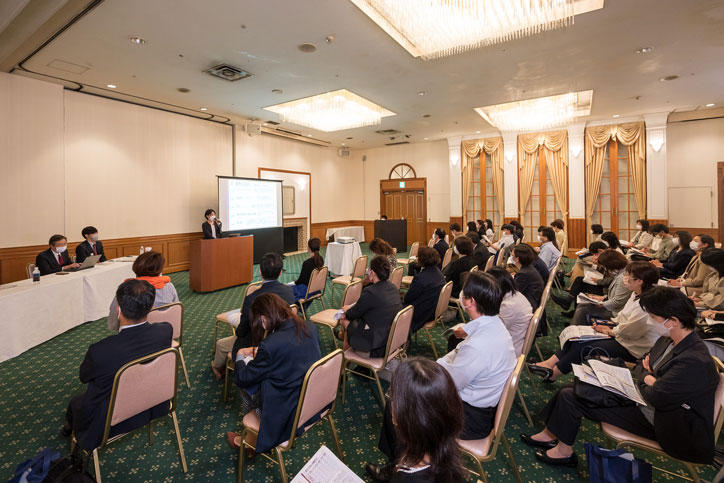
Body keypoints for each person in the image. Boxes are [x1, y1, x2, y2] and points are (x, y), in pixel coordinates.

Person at [521, 286, 719, 467]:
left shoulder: (693, 360)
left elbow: (656, 396)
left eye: (653, 317)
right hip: (648, 402)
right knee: (575, 387)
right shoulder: (670, 339)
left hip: (668, 425)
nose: (649, 321)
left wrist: (648, 377)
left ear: (673, 321)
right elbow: (641, 364)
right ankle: (551, 435)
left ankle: (563, 452)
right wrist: (650, 377)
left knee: (572, 397)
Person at [62, 279, 173, 450]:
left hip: (110, 423)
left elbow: (84, 377)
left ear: (118, 310)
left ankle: (70, 432)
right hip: (154, 405)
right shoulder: (165, 331)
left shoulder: (100, 351)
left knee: (76, 403)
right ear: (151, 307)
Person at [529, 262, 660, 382]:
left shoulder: (645, 305)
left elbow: (629, 332)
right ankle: (548, 364)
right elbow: (622, 318)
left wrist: (608, 330)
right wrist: (608, 325)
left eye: (628, 276)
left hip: (631, 347)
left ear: (640, 281)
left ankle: (553, 374)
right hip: (622, 335)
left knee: (583, 346)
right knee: (576, 338)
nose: (625, 278)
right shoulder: (636, 294)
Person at [226, 293, 321, 455]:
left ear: (263, 319)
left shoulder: (271, 344)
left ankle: (252, 439)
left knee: (247, 384)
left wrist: (241, 355)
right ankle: (253, 437)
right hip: (312, 400)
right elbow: (292, 352)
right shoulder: (309, 327)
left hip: (287, 411)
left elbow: (242, 378)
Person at [438, 272, 516, 439]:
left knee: (401, 404)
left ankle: (407, 455)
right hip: (483, 408)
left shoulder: (477, 346)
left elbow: (449, 384)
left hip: (469, 419)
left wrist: (438, 364)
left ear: (470, 301)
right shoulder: (497, 325)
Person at [365, 358, 466, 482]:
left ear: (408, 420)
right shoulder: (443, 445)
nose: (391, 403)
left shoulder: (406, 479)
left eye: (392, 395)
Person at [212, 252, 295, 380]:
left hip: (256, 343)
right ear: (280, 273)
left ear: (260, 272)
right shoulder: (288, 291)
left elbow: (241, 331)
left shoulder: (252, 299)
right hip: (283, 339)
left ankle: (216, 368)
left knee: (220, 344)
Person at [338, 256, 402, 357]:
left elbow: (352, 314)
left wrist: (347, 310)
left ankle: (345, 359)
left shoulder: (370, 292)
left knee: (344, 319)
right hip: (392, 342)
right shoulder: (393, 288)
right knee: (356, 319)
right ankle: (343, 340)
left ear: (372, 272)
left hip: (375, 348)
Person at [107, 251, 179, 331]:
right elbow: (176, 310)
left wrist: (115, 327)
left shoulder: (126, 289)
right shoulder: (169, 286)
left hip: (136, 335)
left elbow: (114, 316)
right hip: (165, 332)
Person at [569, 250, 631, 325]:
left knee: (582, 310)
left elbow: (617, 302)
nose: (606, 269)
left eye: (605, 267)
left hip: (615, 313)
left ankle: (575, 329)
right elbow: (617, 296)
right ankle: (575, 325)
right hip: (612, 307)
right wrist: (602, 298)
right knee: (582, 305)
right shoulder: (621, 272)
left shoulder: (623, 278)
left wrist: (601, 304)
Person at [486, 267, 533, 355]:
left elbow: (491, 331)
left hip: (507, 350)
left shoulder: (509, 305)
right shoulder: (515, 295)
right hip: (513, 341)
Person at [404, 247, 445, 333]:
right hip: (434, 310)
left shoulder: (420, 278)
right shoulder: (439, 273)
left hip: (422, 313)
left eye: (418, 256)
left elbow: (408, 298)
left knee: (393, 310)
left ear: (422, 259)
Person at [512, 244, 544, 310]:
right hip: (534, 300)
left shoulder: (523, 274)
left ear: (517, 259)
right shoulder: (529, 268)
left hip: (529, 306)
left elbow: (514, 293)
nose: (511, 256)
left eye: (512, 255)